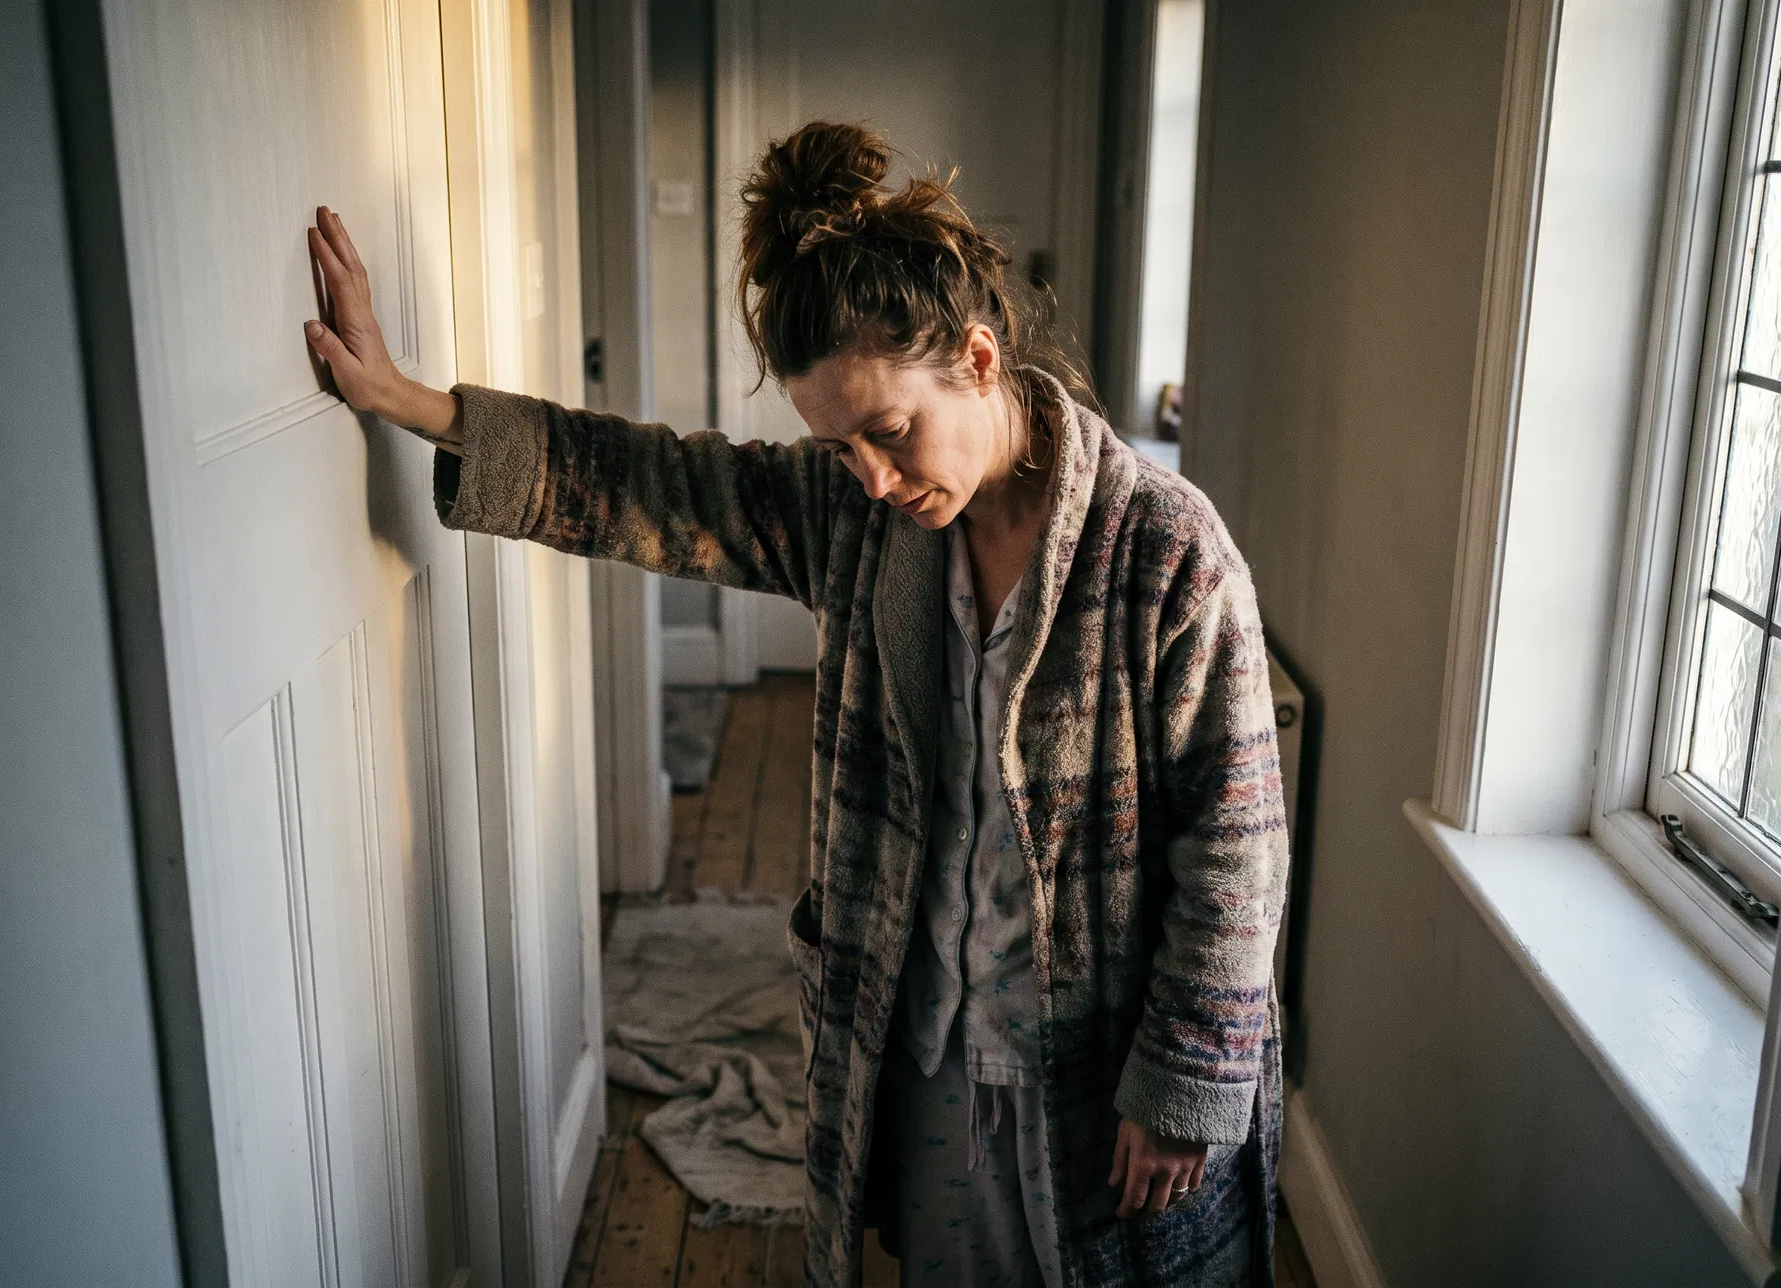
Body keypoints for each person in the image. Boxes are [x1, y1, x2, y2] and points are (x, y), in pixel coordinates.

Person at [304, 120, 1287, 1288]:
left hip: (1102, 1074)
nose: (869, 477)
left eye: (887, 432)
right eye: (839, 446)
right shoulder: (864, 520)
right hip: (926, 1045)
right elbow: (653, 481)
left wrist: (1183, 1082)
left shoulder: (1168, 553)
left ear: (978, 358)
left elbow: (1234, 847)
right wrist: (414, 403)